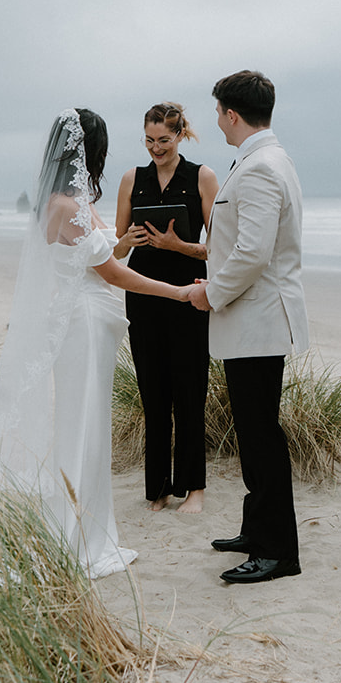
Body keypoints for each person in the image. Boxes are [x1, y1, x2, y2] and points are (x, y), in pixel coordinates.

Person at [0, 107, 194, 579]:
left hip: (93, 323)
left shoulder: (74, 202)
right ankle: (73, 539)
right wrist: (179, 292)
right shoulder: (65, 206)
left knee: (90, 428)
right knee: (81, 430)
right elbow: (112, 272)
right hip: (81, 325)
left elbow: (103, 255)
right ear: (86, 152)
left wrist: (123, 242)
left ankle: (89, 532)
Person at [189, 70, 309, 584]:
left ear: (231, 113)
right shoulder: (265, 159)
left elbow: (254, 252)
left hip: (256, 322)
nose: (216, 121)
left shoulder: (260, 167)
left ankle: (278, 551)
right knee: (253, 431)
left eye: (218, 112)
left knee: (261, 434)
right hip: (252, 321)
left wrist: (209, 293)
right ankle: (257, 528)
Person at [113, 102, 220, 514]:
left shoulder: (202, 177)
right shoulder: (131, 179)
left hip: (190, 293)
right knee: (152, 393)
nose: (156, 148)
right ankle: (157, 488)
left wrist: (180, 246)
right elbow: (116, 248)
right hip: (142, 295)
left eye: (164, 140)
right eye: (149, 140)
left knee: (190, 391)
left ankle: (194, 489)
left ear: (180, 135)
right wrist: (130, 241)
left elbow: (218, 247)